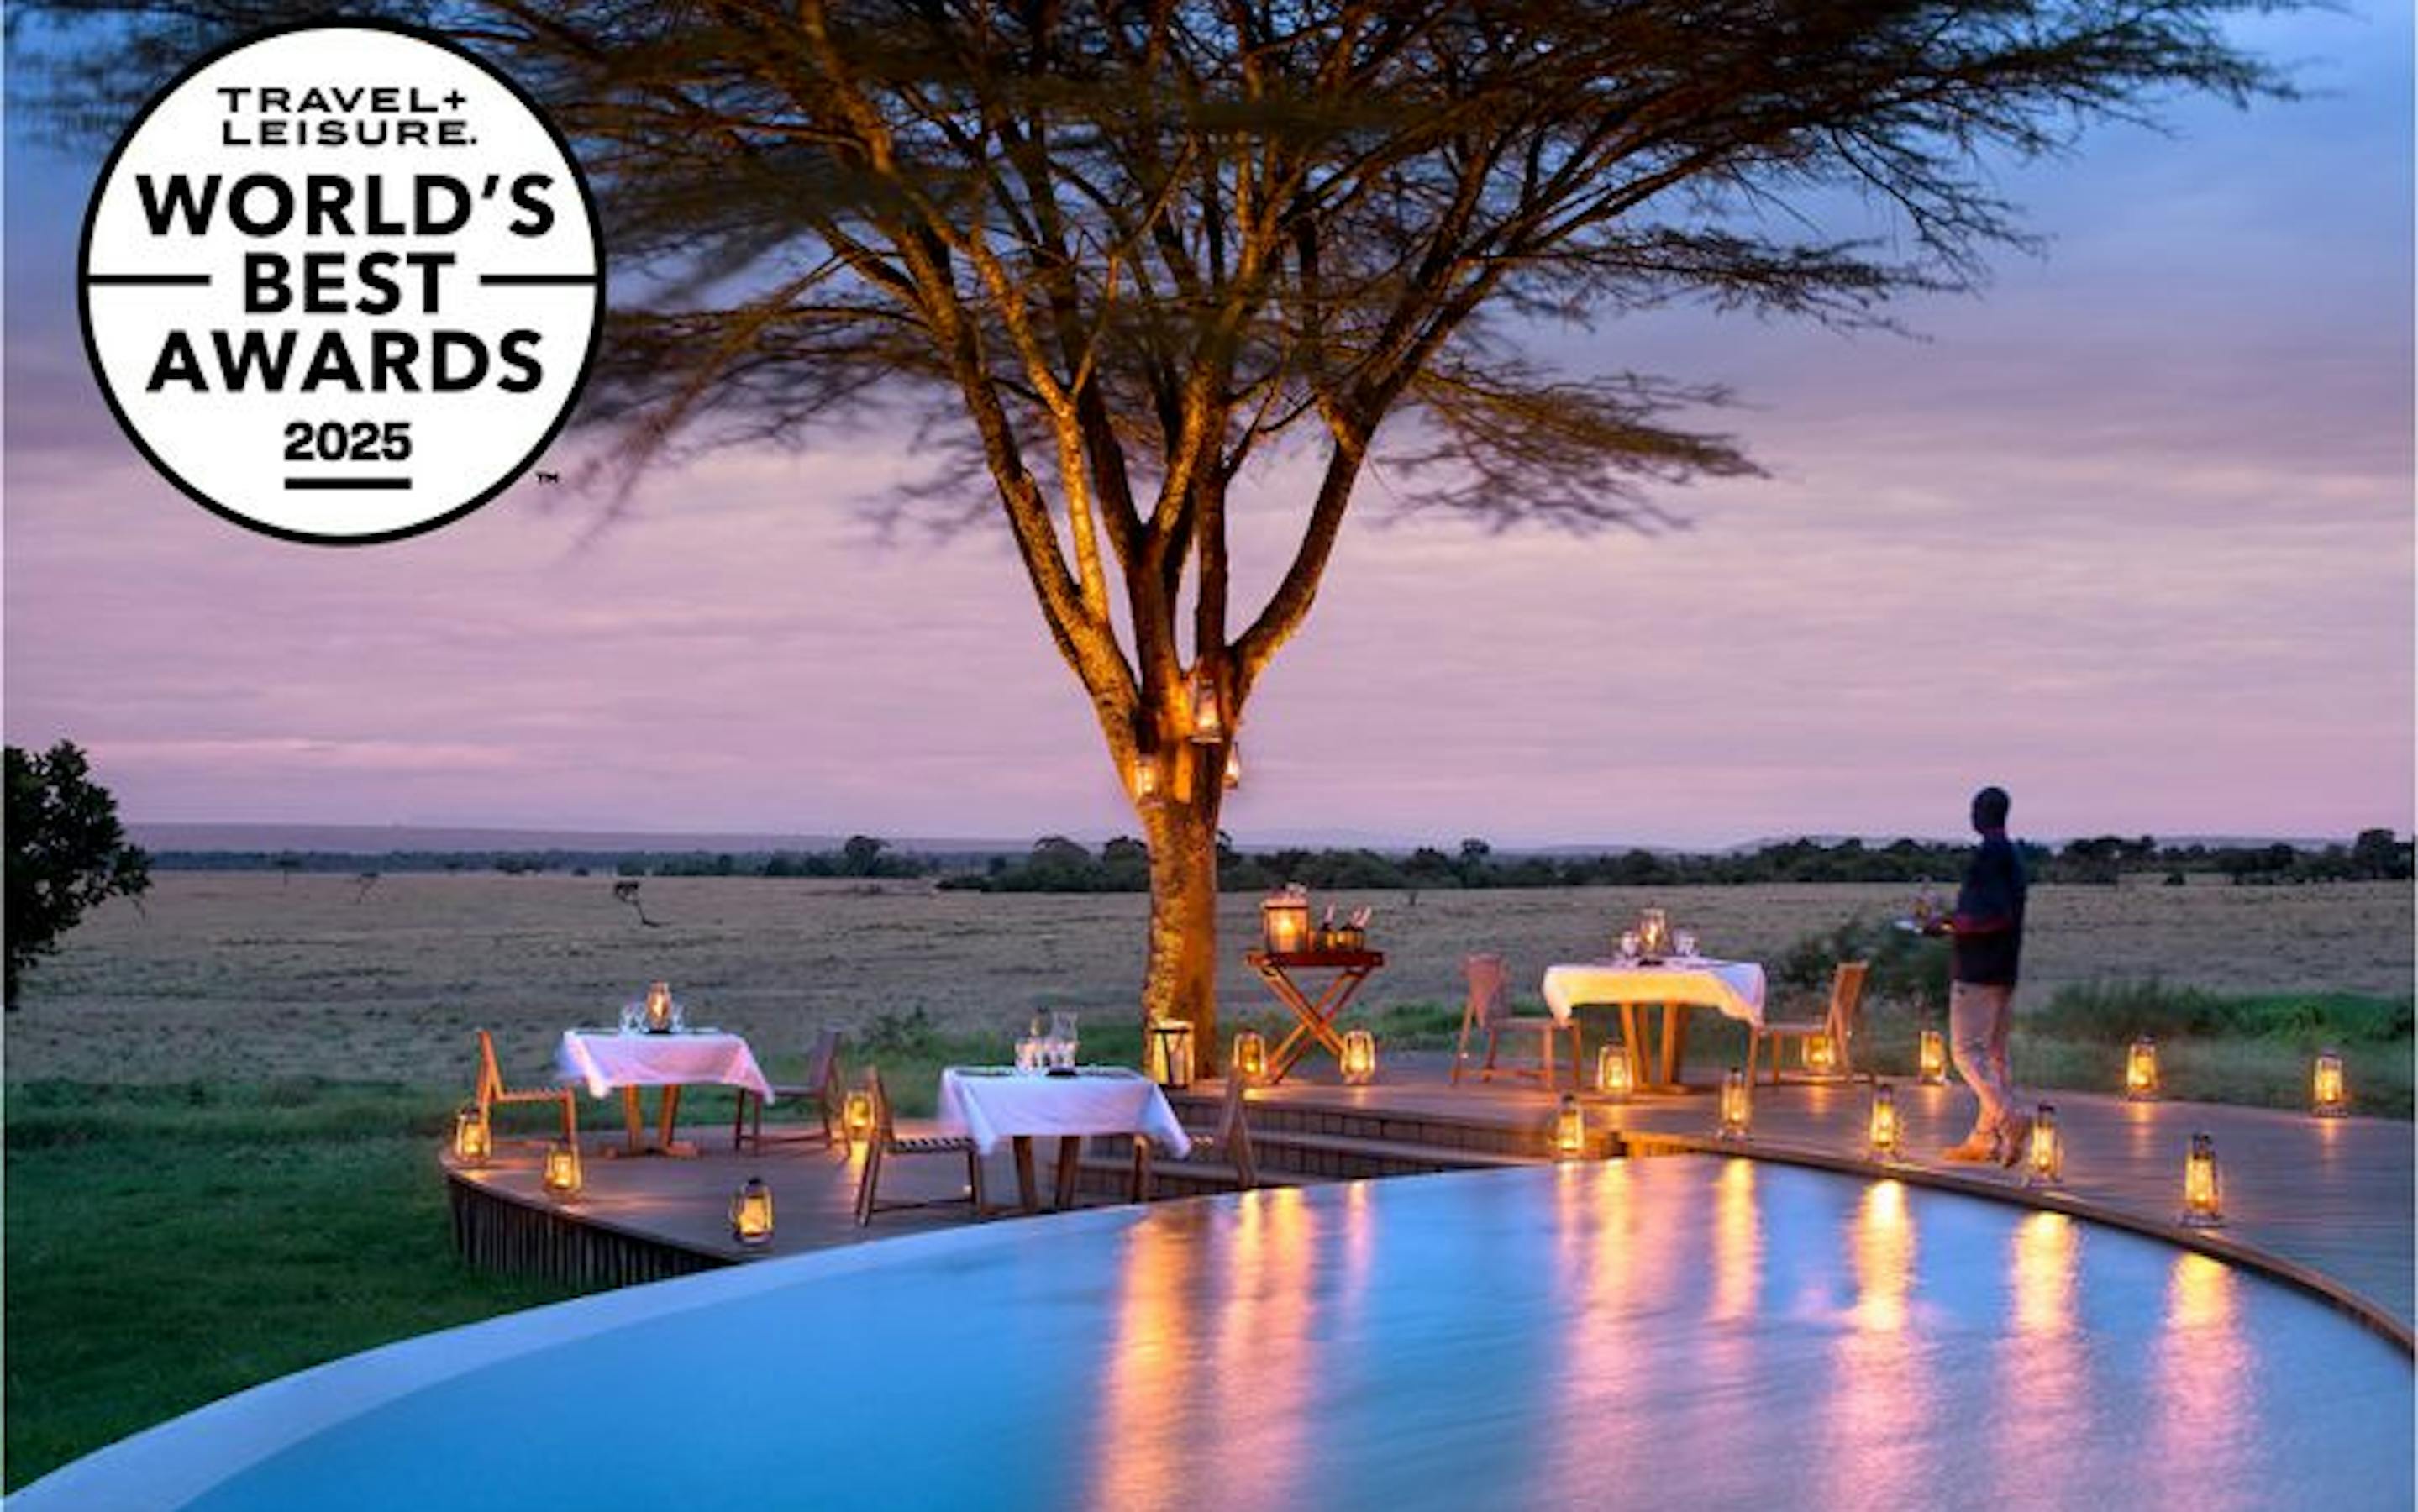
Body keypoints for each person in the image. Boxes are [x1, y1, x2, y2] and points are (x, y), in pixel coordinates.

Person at [1926, 785, 2029, 1165]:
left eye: (1974, 809)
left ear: (1983, 813)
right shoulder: (2013, 856)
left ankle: (2009, 1118)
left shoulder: (1990, 856)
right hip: (2004, 967)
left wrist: (1949, 924)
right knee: (1995, 1056)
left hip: (1978, 969)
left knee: (1967, 1053)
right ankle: (1984, 1140)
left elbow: (1992, 916)